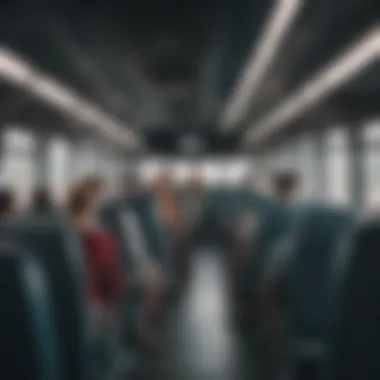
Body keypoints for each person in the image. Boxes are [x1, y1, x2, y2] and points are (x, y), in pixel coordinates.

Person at [67, 178, 126, 306]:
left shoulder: (64, 229)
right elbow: (111, 280)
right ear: (94, 202)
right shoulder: (99, 238)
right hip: (95, 299)